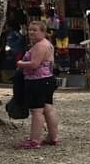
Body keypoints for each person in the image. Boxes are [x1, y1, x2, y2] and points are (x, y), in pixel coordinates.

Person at [14, 20, 60, 148]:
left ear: (43, 32)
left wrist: (20, 63)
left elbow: (34, 64)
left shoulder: (40, 45)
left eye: (35, 30)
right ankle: (53, 136)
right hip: (47, 79)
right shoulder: (47, 44)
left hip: (38, 80)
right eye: (30, 30)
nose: (31, 32)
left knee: (37, 111)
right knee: (47, 108)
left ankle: (34, 140)